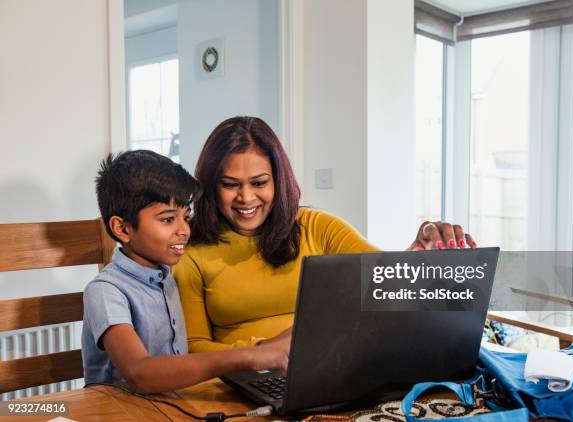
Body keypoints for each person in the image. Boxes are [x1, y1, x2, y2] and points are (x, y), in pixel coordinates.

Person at [173, 116, 476, 353]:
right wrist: (264, 350)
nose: (246, 197)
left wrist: (418, 251)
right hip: (241, 380)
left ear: (278, 180)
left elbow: (386, 277)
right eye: (230, 184)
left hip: (330, 367)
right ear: (211, 186)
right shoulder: (192, 251)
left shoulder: (317, 227)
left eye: (259, 182)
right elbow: (195, 348)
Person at [81, 150, 290, 394]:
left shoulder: (167, 278)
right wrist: (247, 357)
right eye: (168, 219)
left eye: (186, 217)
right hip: (119, 412)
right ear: (122, 228)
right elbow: (141, 373)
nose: (184, 230)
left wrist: (274, 347)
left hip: (171, 406)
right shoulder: (106, 291)